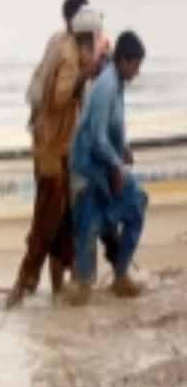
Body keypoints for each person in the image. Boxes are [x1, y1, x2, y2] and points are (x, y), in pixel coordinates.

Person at [7, 8, 103, 307]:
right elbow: (60, 96)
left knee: (62, 225)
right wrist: (86, 75)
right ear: (87, 36)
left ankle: (59, 295)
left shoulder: (59, 42)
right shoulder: (70, 57)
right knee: (47, 223)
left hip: (51, 148)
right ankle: (22, 285)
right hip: (52, 151)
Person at [64, 31, 148, 305]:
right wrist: (116, 166)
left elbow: (111, 130)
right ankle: (82, 288)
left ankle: (120, 275)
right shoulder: (106, 87)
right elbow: (97, 138)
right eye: (135, 66)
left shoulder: (119, 83)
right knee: (88, 228)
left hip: (105, 165)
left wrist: (122, 148)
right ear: (124, 61)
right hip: (88, 169)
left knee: (137, 204)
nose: (137, 73)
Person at [26, 0, 89, 129]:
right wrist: (84, 75)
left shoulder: (56, 39)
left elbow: (38, 79)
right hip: (60, 132)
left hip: (43, 124)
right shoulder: (70, 50)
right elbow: (61, 96)